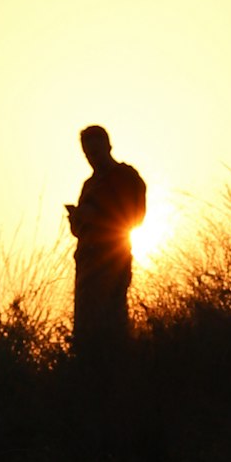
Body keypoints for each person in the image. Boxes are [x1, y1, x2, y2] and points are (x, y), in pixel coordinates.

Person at [66, 126, 146, 355]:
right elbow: (79, 231)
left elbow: (136, 217)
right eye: (88, 155)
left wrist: (98, 216)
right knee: (85, 328)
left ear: (108, 147)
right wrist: (78, 219)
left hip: (113, 261)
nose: (92, 160)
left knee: (111, 325)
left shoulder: (127, 177)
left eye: (96, 153)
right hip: (86, 263)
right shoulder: (88, 185)